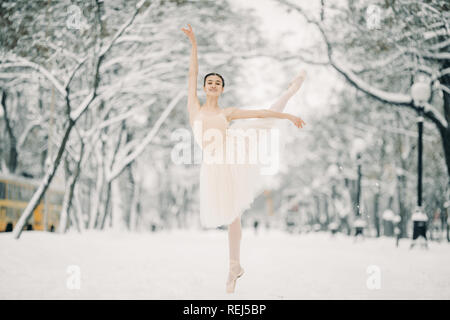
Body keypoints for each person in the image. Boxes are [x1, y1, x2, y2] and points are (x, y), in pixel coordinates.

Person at [181, 24, 306, 294]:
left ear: (222, 89)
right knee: (232, 216)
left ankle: (289, 93)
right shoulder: (194, 106)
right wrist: (193, 43)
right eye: (209, 82)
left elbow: (260, 113)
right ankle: (234, 267)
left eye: (218, 83)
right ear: (204, 88)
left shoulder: (228, 113)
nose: (213, 85)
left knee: (264, 123)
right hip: (213, 166)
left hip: (234, 151)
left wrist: (288, 116)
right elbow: (191, 73)